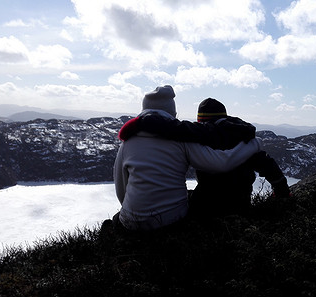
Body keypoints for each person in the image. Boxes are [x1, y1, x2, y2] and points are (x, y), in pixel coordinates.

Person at [111, 85, 263, 231]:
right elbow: (223, 163)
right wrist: (254, 144)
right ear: (172, 113)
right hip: (173, 220)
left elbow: (121, 189)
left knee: (115, 221)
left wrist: (134, 213)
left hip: (133, 222)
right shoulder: (182, 140)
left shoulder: (127, 143)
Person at [120, 97, 290, 217]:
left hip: (208, 203)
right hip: (241, 201)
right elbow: (267, 164)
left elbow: (179, 128)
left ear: (203, 122)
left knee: (182, 201)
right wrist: (281, 190)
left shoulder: (206, 134)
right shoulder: (242, 136)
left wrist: (144, 121)